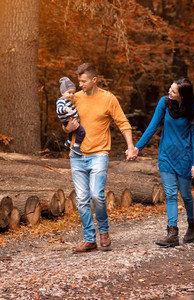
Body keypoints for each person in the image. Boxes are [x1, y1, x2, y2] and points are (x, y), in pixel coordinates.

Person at [64, 63, 137, 252]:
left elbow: (123, 123)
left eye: (83, 81)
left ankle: (103, 230)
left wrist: (130, 146)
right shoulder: (75, 98)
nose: (80, 85)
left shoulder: (108, 99)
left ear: (94, 80)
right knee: (81, 199)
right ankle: (89, 239)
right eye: (79, 81)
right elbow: (66, 124)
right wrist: (67, 129)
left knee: (97, 195)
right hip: (77, 155)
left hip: (99, 154)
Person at [133, 78, 194, 247]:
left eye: (173, 91)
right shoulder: (164, 103)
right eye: (170, 89)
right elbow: (152, 127)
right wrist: (137, 148)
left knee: (185, 195)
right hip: (166, 156)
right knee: (170, 194)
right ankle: (172, 232)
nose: (169, 93)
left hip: (184, 158)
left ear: (183, 95)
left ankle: (192, 225)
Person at [57, 76, 85, 155]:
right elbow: (59, 109)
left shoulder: (67, 100)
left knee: (72, 131)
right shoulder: (61, 101)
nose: (71, 95)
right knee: (82, 132)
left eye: (73, 93)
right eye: (69, 92)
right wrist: (66, 109)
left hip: (71, 120)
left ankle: (69, 141)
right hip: (68, 120)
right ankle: (76, 146)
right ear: (63, 92)